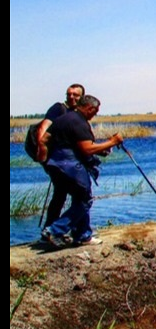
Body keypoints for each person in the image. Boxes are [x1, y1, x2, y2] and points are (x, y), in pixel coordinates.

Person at [40, 94, 123, 246]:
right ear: (89, 108)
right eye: (95, 111)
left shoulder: (62, 119)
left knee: (79, 198)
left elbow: (44, 139)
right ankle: (55, 230)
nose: (95, 114)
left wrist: (45, 158)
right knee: (85, 199)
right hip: (71, 165)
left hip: (54, 163)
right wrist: (112, 142)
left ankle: (82, 235)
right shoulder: (79, 122)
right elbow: (87, 149)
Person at [34, 83, 85, 228]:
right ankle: (56, 229)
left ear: (82, 97)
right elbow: (43, 129)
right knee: (75, 193)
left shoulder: (79, 112)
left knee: (61, 193)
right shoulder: (58, 108)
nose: (71, 97)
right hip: (56, 159)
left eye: (75, 95)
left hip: (68, 159)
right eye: (69, 94)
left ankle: (53, 228)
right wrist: (44, 154)